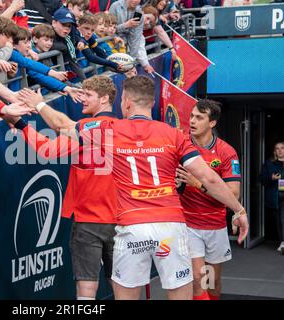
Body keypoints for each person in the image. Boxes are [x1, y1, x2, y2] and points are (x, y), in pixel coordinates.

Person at [16, 76, 249, 300]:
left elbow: (61, 124)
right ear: (153, 102)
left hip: (132, 226)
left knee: (126, 295)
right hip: (169, 225)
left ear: (125, 101)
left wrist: (38, 104)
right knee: (180, 293)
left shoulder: (109, 131)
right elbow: (210, 179)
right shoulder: (173, 134)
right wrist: (239, 210)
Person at [14, 76, 118, 300]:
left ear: (105, 98)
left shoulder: (84, 132)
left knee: (87, 288)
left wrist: (21, 124)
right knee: (123, 285)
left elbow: (47, 150)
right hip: (122, 219)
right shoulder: (126, 128)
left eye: (88, 94)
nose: (82, 98)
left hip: (89, 220)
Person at [175, 100, 241, 300]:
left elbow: (233, 194)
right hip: (187, 224)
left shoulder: (226, 152)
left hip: (215, 225)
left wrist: (198, 183)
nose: (192, 121)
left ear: (212, 123)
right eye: (192, 116)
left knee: (212, 283)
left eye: (199, 118)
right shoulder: (180, 144)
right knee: (198, 279)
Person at [109, 0, 155, 74]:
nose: (135, 1)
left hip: (125, 49)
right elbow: (108, 29)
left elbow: (136, 39)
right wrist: (125, 25)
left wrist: (131, 63)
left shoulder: (139, 12)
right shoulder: (115, 6)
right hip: (112, 45)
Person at [260, 142, 284, 254]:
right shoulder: (269, 164)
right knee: (280, 220)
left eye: (282, 148)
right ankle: (283, 242)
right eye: (277, 149)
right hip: (277, 197)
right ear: (275, 151)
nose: (280, 150)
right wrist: (271, 177)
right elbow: (261, 179)